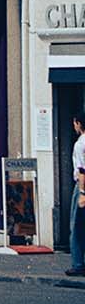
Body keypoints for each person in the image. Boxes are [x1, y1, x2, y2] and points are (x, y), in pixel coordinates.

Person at [67, 110, 85, 276]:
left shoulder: (80, 144)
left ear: (78, 124)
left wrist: (82, 193)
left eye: (74, 123)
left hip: (82, 185)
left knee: (76, 225)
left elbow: (82, 171)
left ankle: (78, 264)